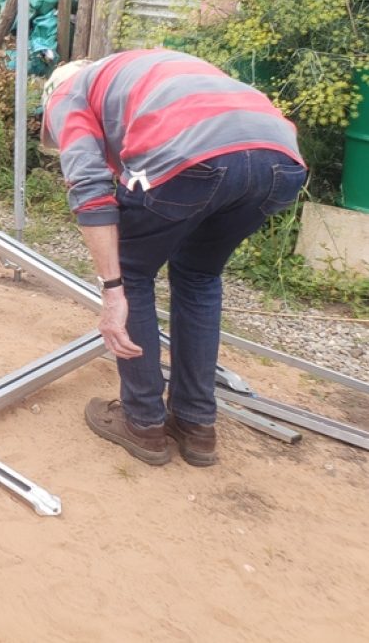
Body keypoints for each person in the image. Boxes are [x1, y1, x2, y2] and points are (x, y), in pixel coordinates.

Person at [40, 49, 307, 467]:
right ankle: (196, 424)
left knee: (131, 271)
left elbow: (89, 186)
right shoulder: (144, 69)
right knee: (199, 275)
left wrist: (112, 289)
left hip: (191, 154)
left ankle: (143, 422)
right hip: (280, 161)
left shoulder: (67, 92)